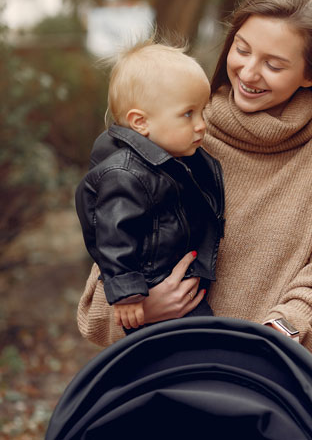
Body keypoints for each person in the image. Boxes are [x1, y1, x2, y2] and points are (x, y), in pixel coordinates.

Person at [76, 0, 312, 434]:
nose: (247, 71)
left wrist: (278, 336)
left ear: (311, 73)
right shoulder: (175, 133)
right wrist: (145, 306)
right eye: (242, 49)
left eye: (274, 63)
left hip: (275, 403)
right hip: (167, 402)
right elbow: (100, 297)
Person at [75, 41, 224, 333]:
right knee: (204, 346)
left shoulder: (172, 160)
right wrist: (128, 294)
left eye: (202, 112)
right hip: (150, 286)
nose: (202, 125)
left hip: (172, 285)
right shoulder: (126, 173)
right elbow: (113, 235)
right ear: (140, 122)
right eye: (188, 114)